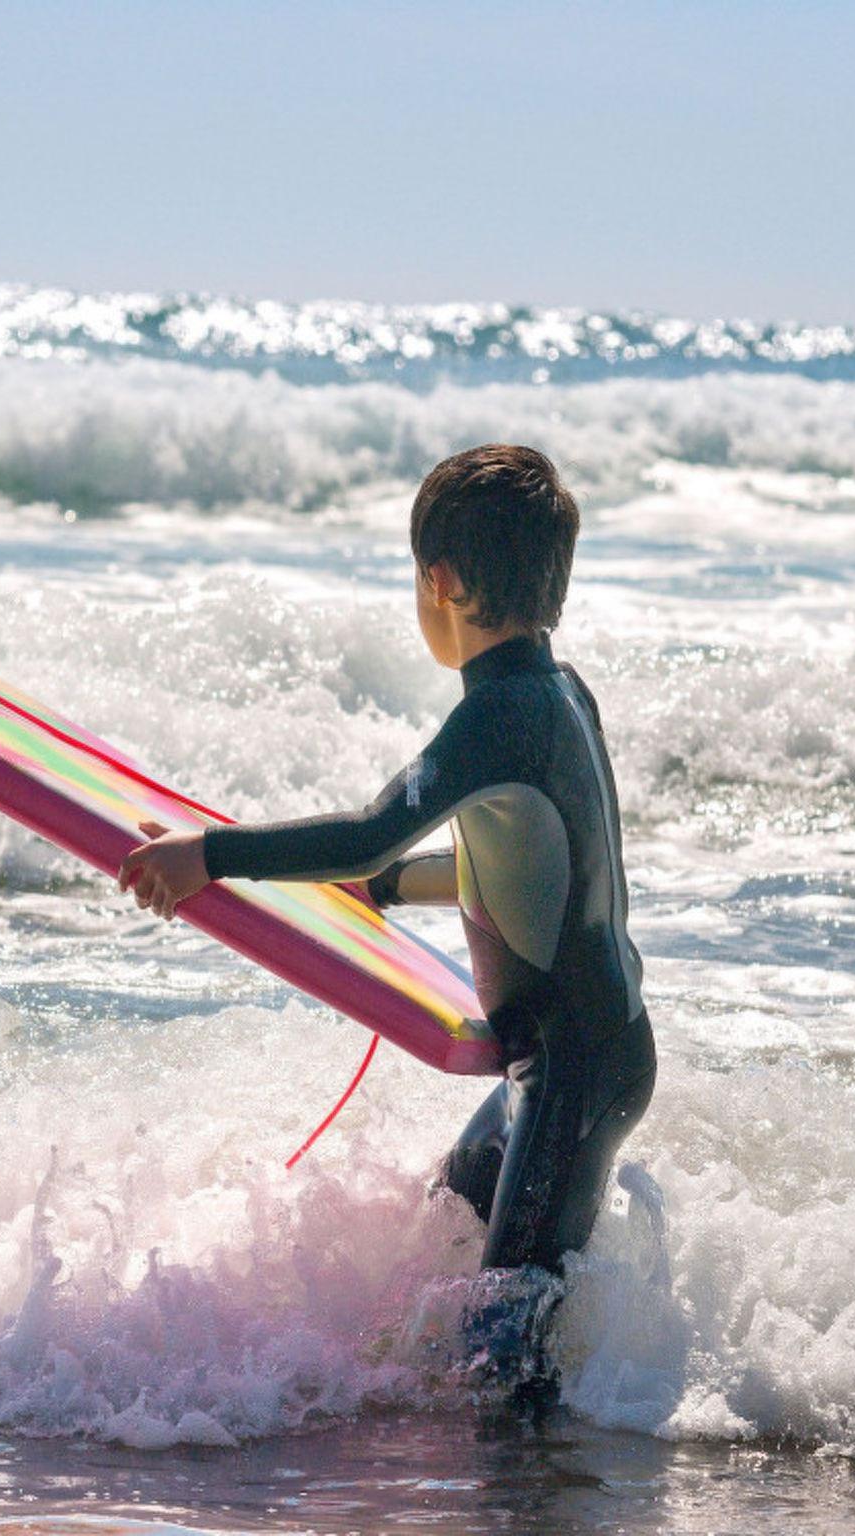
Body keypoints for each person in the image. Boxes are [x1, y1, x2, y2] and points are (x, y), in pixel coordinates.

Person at [118, 445, 655, 1281]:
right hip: (593, 1048)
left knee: (505, 1329)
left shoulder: (497, 716)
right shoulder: (561, 693)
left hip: (570, 1067)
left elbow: (371, 828)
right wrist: (387, 889)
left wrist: (211, 857)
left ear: (438, 581)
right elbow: (532, 870)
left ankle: (533, 1412)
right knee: (449, 1215)